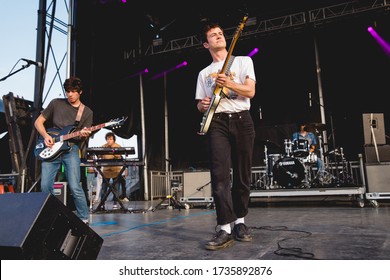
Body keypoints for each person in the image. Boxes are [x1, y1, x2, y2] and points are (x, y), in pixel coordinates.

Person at [195, 22, 256, 250]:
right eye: (213, 35)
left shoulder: (242, 61)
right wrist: (202, 105)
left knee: (242, 174)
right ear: (206, 44)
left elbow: (250, 91)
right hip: (218, 123)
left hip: (241, 119)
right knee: (220, 175)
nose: (219, 36)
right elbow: (200, 105)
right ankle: (224, 227)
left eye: (221, 33)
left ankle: (240, 222)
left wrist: (229, 83)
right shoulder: (203, 73)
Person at [34, 76, 92, 224]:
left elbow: (81, 139)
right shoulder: (56, 103)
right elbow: (38, 122)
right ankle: (55, 215)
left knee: (74, 185)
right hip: (51, 147)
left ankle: (84, 218)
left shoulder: (86, 112)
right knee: (45, 185)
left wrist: (84, 134)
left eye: (73, 91)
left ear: (80, 92)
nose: (70, 95)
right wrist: (46, 136)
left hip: (70, 149)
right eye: (68, 91)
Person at [98, 132, 128, 210]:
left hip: (116, 170)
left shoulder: (117, 146)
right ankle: (102, 203)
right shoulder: (104, 146)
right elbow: (99, 155)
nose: (109, 141)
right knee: (104, 188)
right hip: (106, 170)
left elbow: (119, 156)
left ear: (113, 139)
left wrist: (113, 151)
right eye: (108, 139)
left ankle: (115, 203)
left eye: (110, 139)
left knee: (116, 188)